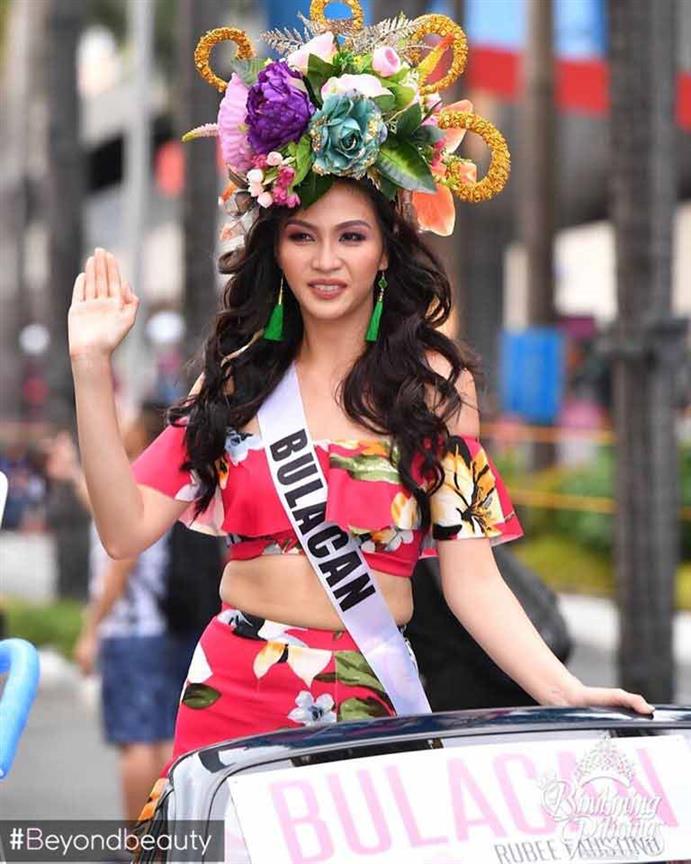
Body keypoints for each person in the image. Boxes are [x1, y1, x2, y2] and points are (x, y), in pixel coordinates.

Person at [67, 3, 653, 822]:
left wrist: (566, 691)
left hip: (369, 706)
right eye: (302, 236)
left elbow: (474, 582)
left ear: (386, 248)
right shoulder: (233, 383)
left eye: (350, 237)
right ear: (274, 246)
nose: (326, 260)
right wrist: (90, 368)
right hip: (231, 698)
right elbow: (124, 528)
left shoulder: (436, 393)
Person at [44, 413, 200, 820]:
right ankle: (166, 839)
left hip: (131, 632)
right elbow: (98, 504)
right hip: (164, 628)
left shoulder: (138, 483)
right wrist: (73, 473)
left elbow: (120, 564)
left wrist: (91, 630)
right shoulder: (164, 484)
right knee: (164, 736)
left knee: (137, 742)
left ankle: (140, 842)